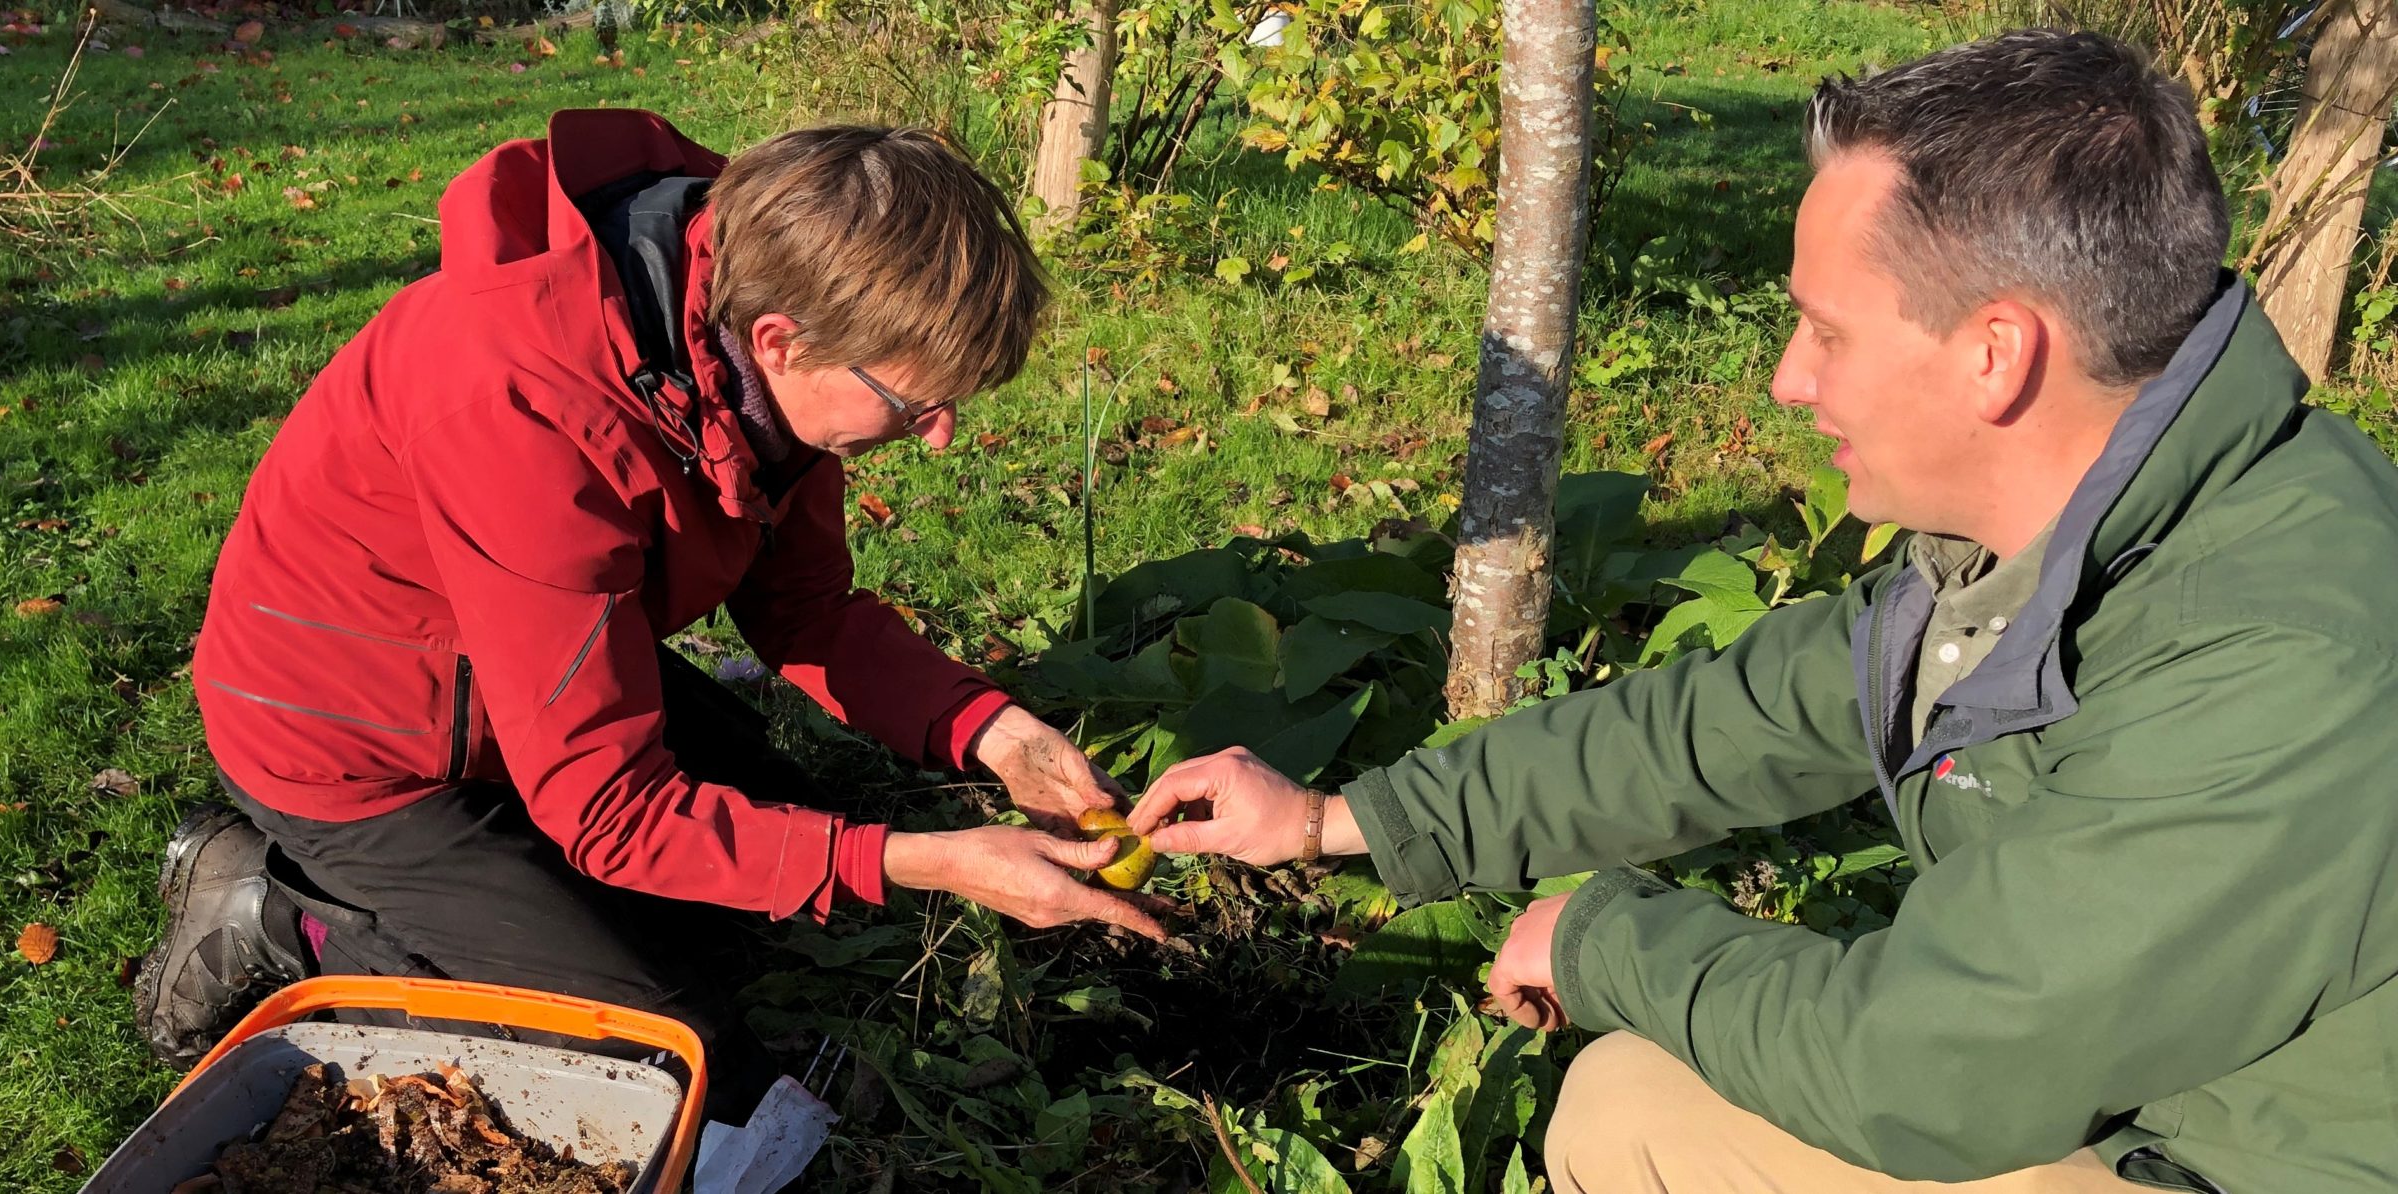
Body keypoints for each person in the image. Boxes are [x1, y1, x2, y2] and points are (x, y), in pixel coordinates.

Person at [1129, 30, 2398, 1194]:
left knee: (1634, 1112)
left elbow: (1926, 1070)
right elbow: (1734, 721)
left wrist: (1602, 939)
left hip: (2244, 1162)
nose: (1789, 382)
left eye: (1823, 331)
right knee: (1633, 1101)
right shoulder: (2088, 519)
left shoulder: (2274, 656)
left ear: (1994, 355)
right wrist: (1346, 818)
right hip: (2166, 1106)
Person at [135, 110, 1163, 1123]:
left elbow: (803, 610)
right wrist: (914, 860)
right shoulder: (522, 405)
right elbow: (609, 813)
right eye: (913, 404)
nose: (937, 436)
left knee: (749, 894)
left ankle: (499, 900)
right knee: (672, 1056)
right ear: (781, 341)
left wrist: (1001, 736)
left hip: (513, 668)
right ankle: (278, 910)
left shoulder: (753, 331)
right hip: (350, 739)